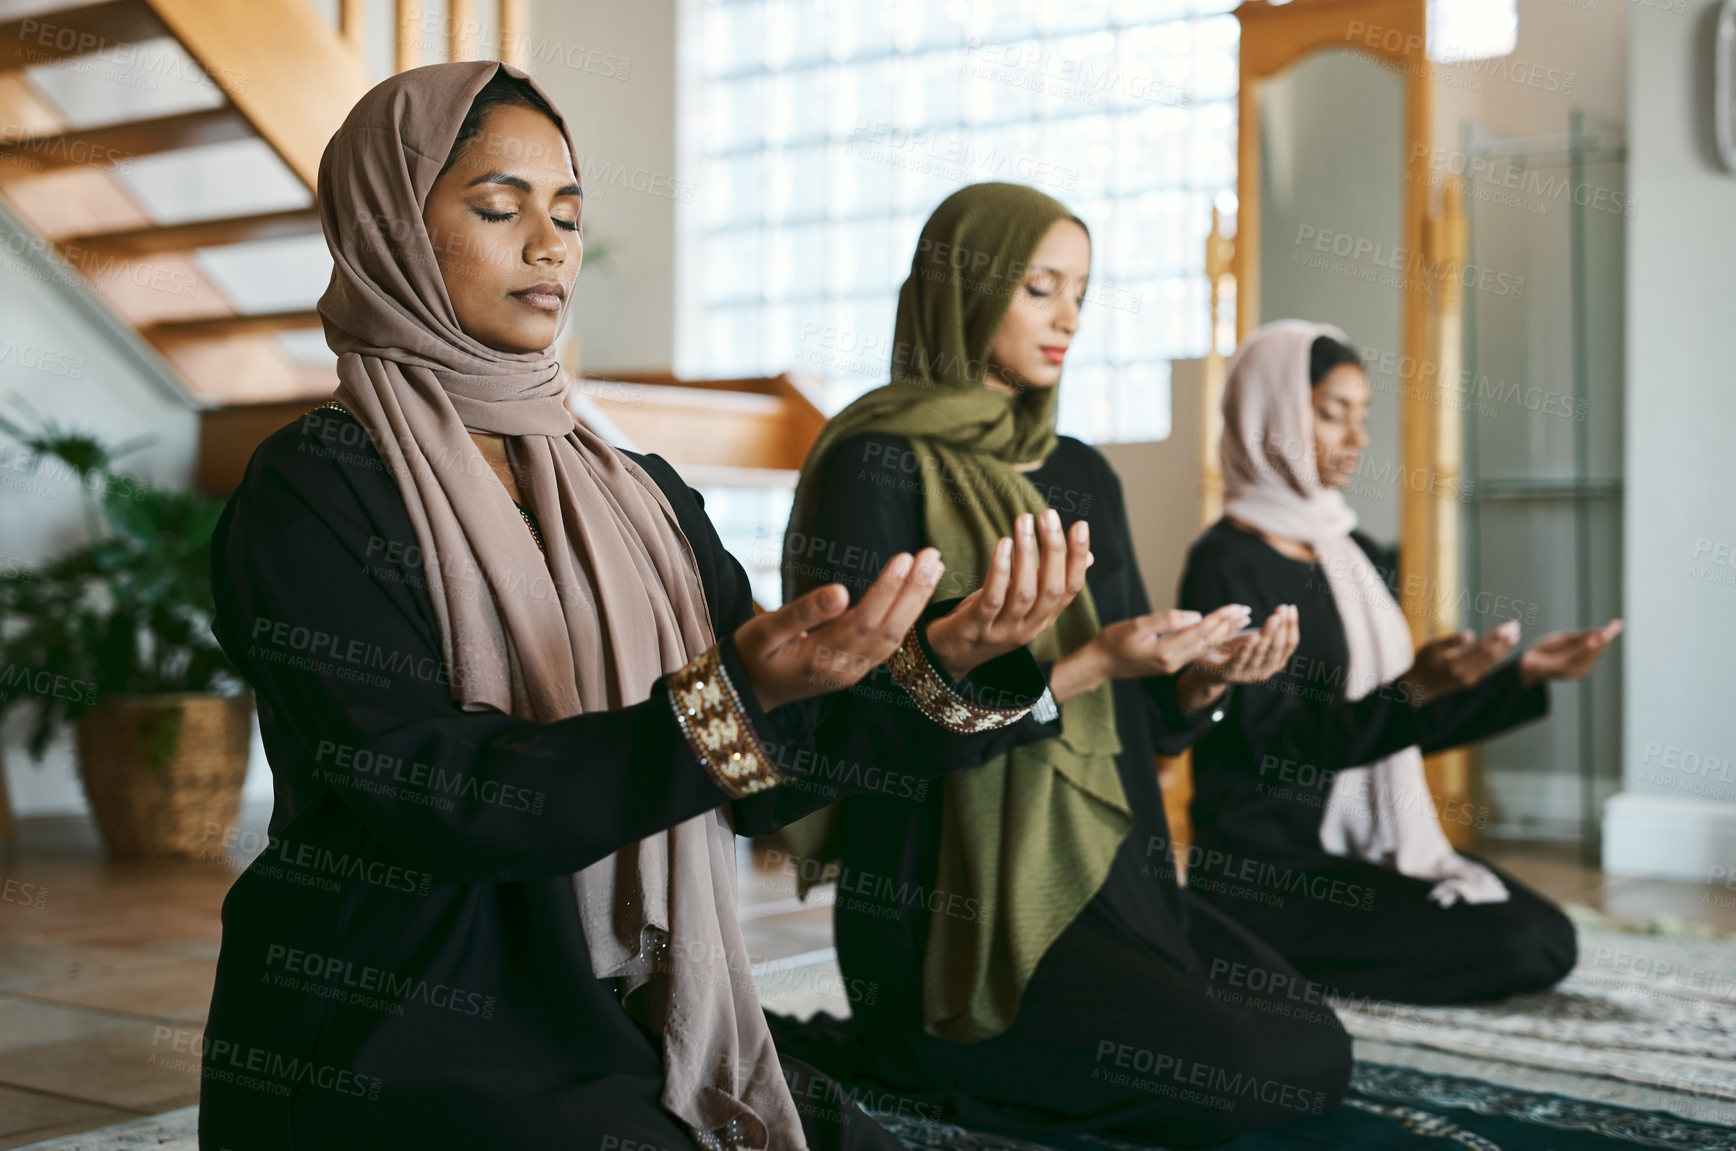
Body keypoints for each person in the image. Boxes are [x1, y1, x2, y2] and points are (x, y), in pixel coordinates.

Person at [199, 64, 1088, 1151]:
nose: (550, 244)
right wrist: (730, 700)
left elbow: (768, 779)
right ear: (387, 226)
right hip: (405, 1009)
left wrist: (943, 658)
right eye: (497, 206)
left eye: (569, 214)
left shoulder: (645, 496)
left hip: (640, 1000)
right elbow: (432, 794)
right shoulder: (316, 484)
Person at [769, 182, 1513, 1146]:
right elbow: (858, 732)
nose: (1069, 316)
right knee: (1245, 1079)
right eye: (1040, 287)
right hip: (950, 891)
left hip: (1116, 865)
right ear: (963, 289)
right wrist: (1079, 668)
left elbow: (1142, 722)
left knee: (1312, 1057)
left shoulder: (1081, 468)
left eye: (1081, 289)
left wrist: (1199, 684)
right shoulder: (874, 460)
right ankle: (907, 1047)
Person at [1178, 319, 1622, 1006]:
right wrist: (1414, 688)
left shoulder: (1348, 549)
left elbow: (1396, 727)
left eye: (1363, 416)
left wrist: (1525, 673)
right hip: (1270, 865)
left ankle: (1285, 956)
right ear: (1272, 414)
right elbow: (1271, 747)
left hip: (1359, 846)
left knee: (1545, 932)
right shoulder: (1225, 562)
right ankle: (1249, 949)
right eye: (1332, 415)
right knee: (1515, 944)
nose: (1357, 439)